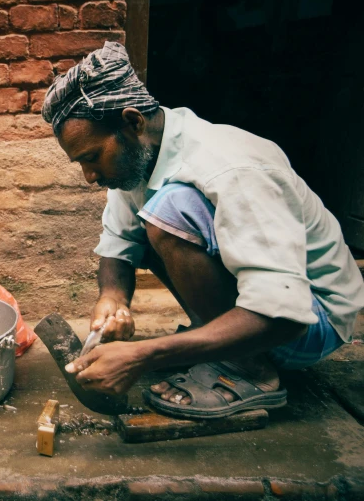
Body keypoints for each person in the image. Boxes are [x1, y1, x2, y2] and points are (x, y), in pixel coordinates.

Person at [41, 42, 364, 419]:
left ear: (132, 123)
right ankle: (216, 336)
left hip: (309, 322)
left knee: (170, 210)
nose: (89, 176)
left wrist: (144, 355)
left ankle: (250, 371)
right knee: (158, 216)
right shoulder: (140, 157)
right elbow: (119, 245)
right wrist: (112, 300)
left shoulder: (233, 169)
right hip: (272, 312)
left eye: (92, 158)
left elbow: (286, 315)